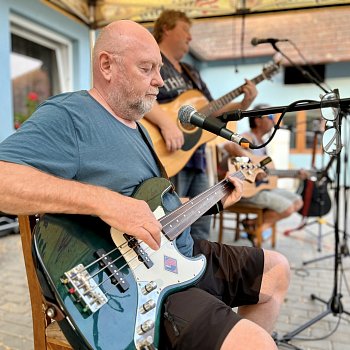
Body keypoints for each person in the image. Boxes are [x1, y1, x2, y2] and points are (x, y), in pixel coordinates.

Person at [0, 20, 289, 350]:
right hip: (132, 283)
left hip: (178, 253)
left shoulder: (138, 128)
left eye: (159, 68)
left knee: (276, 269)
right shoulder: (70, 115)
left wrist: (217, 197)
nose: (159, 80)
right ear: (107, 65)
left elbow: (156, 208)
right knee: (256, 344)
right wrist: (106, 202)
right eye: (147, 68)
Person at [144, 10, 258, 241]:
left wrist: (244, 102)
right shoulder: (152, 59)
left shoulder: (191, 72)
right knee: (171, 220)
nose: (190, 37)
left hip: (196, 156)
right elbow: (139, 97)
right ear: (166, 28)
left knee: (202, 220)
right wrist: (167, 124)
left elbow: (211, 110)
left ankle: (200, 270)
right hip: (168, 153)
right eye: (185, 30)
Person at [220, 104, 307, 236]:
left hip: (261, 188)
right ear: (257, 120)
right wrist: (254, 165)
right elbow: (229, 145)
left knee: (298, 201)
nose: (273, 120)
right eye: (271, 116)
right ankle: (257, 232)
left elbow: (269, 174)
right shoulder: (248, 136)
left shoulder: (262, 143)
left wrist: (295, 174)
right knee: (288, 208)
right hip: (246, 190)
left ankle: (252, 225)